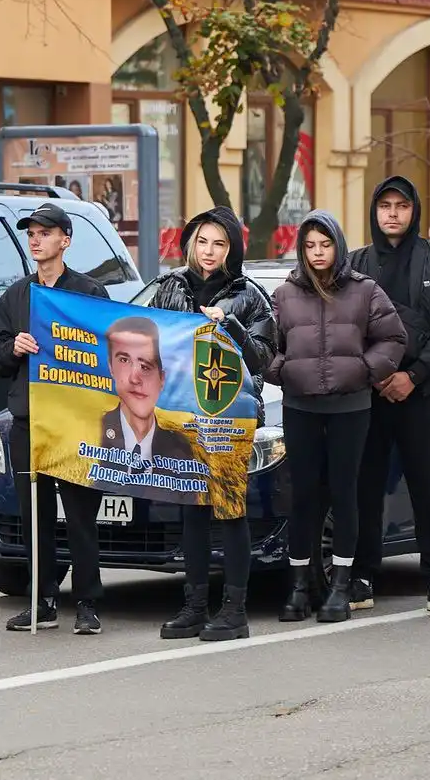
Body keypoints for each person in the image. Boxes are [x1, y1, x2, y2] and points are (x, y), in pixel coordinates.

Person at [267, 210, 407, 622]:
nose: (317, 253)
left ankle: (341, 586)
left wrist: (364, 371)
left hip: (350, 407)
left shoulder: (364, 290)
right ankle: (299, 587)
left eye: (324, 244)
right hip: (300, 406)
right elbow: (268, 345)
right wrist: (281, 371)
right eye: (309, 246)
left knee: (345, 494)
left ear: (338, 246)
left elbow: (393, 337)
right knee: (303, 496)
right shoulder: (285, 294)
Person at [145, 206, 277, 642]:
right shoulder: (169, 288)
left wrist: (231, 325)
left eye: (219, 243)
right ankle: (195, 606)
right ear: (189, 244)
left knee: (229, 511)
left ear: (231, 250)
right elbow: (142, 342)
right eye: (202, 241)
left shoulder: (250, 296)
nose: (208, 251)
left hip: (227, 416)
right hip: (180, 415)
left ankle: (234, 610)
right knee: (191, 513)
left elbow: (262, 358)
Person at [0, 203, 109, 635]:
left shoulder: (89, 293)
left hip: (74, 423)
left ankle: (88, 603)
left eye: (44, 232)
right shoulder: (15, 296)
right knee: (34, 515)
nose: (35, 240)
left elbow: (108, 353)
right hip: (29, 421)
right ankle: (42, 600)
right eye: (31, 234)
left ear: (65, 240)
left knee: (80, 516)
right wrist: (13, 348)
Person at [349, 176, 430, 618]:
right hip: (369, 396)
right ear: (375, 211)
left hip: (421, 394)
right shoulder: (356, 264)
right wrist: (377, 375)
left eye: (401, 205)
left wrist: (412, 376)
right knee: (366, 487)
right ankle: (361, 574)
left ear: (414, 210)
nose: (393, 213)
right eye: (385, 206)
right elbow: (345, 327)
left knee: (427, 488)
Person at [99, 315, 195, 470]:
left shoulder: (181, 447)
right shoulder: (93, 433)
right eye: (124, 360)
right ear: (111, 367)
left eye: (146, 366)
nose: (134, 378)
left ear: (162, 379)